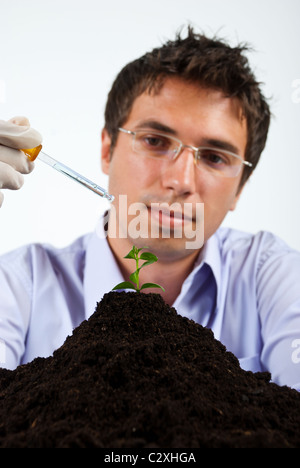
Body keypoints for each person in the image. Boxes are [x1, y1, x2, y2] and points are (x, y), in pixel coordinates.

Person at [1, 28, 300, 391]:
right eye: (155, 141)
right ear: (107, 150)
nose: (179, 180)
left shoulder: (272, 278)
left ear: (240, 188)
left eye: (214, 157)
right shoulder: (21, 285)